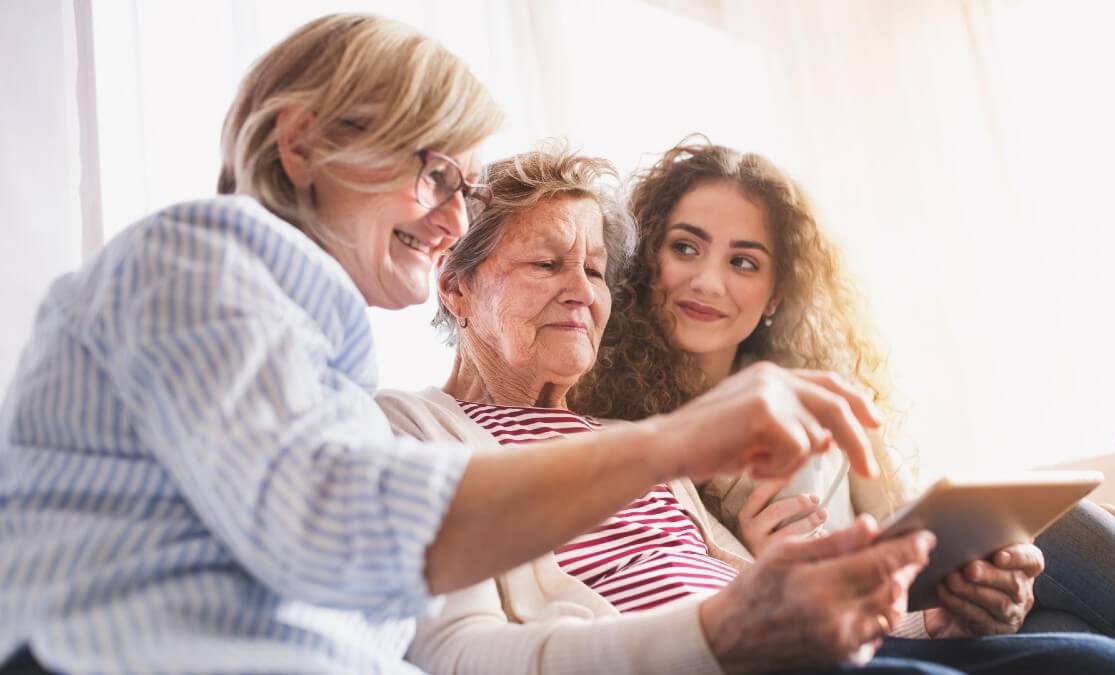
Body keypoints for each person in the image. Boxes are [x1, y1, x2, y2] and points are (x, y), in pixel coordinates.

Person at [0, 19, 878, 674]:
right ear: (301, 143)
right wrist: (675, 441)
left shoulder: (325, 376)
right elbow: (334, 524)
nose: (453, 216)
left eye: (464, 186)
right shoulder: (193, 258)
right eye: (433, 172)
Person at [377, 146, 1115, 674]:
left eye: (594, 269)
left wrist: (938, 621)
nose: (583, 293)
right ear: (455, 285)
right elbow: (459, 647)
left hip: (793, 647)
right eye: (548, 263)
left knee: (1107, 658)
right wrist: (725, 631)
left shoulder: (624, 438)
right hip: (720, 657)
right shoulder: (409, 428)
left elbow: (756, 584)